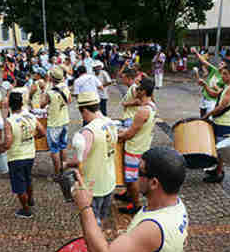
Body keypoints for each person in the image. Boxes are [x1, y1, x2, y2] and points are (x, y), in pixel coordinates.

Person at [64, 92, 117, 228]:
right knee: (102, 216)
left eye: (81, 112)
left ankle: (94, 245)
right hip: (109, 180)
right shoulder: (110, 123)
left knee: (91, 222)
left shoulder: (88, 131)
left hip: (93, 185)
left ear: (85, 110)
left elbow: (79, 161)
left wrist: (66, 163)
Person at [1, 92, 46, 218]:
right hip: (30, 154)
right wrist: (32, 137)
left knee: (19, 184)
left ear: (10, 105)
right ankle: (30, 199)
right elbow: (42, 131)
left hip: (16, 156)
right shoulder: (30, 116)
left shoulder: (9, 121)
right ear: (21, 103)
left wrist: (1, 146)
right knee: (28, 178)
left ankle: (26, 210)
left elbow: (8, 142)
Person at [116, 78, 157, 215]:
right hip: (142, 145)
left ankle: (135, 205)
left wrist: (117, 136)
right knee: (132, 175)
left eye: (138, 89)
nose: (136, 90)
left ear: (144, 91)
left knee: (131, 178)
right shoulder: (152, 106)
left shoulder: (142, 111)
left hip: (134, 148)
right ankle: (128, 194)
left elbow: (130, 133)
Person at [201, 63, 230, 183]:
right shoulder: (227, 86)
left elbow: (221, 106)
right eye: (222, 73)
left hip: (225, 122)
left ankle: (219, 174)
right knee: (217, 147)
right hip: (219, 120)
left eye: (225, 74)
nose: (222, 76)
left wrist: (207, 115)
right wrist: (205, 86)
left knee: (221, 148)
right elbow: (214, 95)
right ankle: (216, 169)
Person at [40, 67, 71, 178]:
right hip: (64, 120)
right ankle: (64, 169)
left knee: (54, 149)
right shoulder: (65, 87)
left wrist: (45, 91)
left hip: (54, 123)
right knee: (63, 146)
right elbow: (69, 101)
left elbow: (41, 104)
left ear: (52, 78)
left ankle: (57, 173)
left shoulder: (50, 92)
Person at [191, 47, 226, 117]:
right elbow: (204, 61)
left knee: (209, 120)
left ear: (225, 67)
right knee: (202, 117)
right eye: (220, 63)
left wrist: (215, 86)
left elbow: (218, 93)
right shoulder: (214, 70)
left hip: (212, 101)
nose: (219, 65)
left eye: (222, 64)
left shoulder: (224, 79)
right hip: (204, 98)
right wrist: (196, 53)